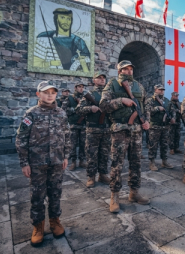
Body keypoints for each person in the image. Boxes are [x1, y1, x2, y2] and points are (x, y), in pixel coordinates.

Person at [15, 81, 71, 247]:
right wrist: (24, 163)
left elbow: (67, 135)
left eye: (53, 93)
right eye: (46, 92)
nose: (49, 95)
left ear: (56, 95)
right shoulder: (31, 114)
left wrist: (66, 156)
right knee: (37, 196)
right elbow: (21, 139)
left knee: (55, 193)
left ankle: (55, 221)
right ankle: (38, 226)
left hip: (57, 162)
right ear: (38, 94)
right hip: (37, 164)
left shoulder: (61, 113)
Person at [99, 60, 150, 213]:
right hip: (120, 129)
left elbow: (145, 105)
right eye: (125, 69)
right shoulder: (112, 85)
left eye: (130, 69)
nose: (128, 71)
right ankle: (114, 196)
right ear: (119, 71)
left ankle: (134, 192)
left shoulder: (139, 86)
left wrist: (146, 121)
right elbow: (103, 105)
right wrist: (121, 101)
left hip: (136, 130)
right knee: (117, 164)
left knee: (136, 163)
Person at [75, 72, 111, 188]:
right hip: (93, 130)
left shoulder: (109, 95)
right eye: (99, 78)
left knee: (104, 154)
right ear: (94, 80)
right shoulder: (90, 94)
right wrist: (91, 108)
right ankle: (91, 176)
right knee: (92, 154)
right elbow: (78, 109)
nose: (101, 80)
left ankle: (103, 174)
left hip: (106, 129)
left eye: (103, 78)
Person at [145, 84, 174, 171]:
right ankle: (152, 162)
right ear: (155, 90)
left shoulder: (167, 100)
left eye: (162, 90)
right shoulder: (150, 100)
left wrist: (172, 118)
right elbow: (147, 111)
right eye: (159, 89)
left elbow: (171, 110)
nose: (161, 91)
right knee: (153, 145)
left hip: (165, 126)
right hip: (154, 126)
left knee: (164, 145)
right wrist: (157, 108)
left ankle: (164, 161)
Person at [62, 83, 87, 170]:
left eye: (82, 87)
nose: (81, 89)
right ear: (75, 88)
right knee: (72, 144)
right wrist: (75, 109)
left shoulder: (86, 98)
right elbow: (63, 110)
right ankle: (73, 162)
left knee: (83, 144)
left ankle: (82, 161)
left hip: (83, 125)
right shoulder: (70, 98)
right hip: (73, 125)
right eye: (79, 87)